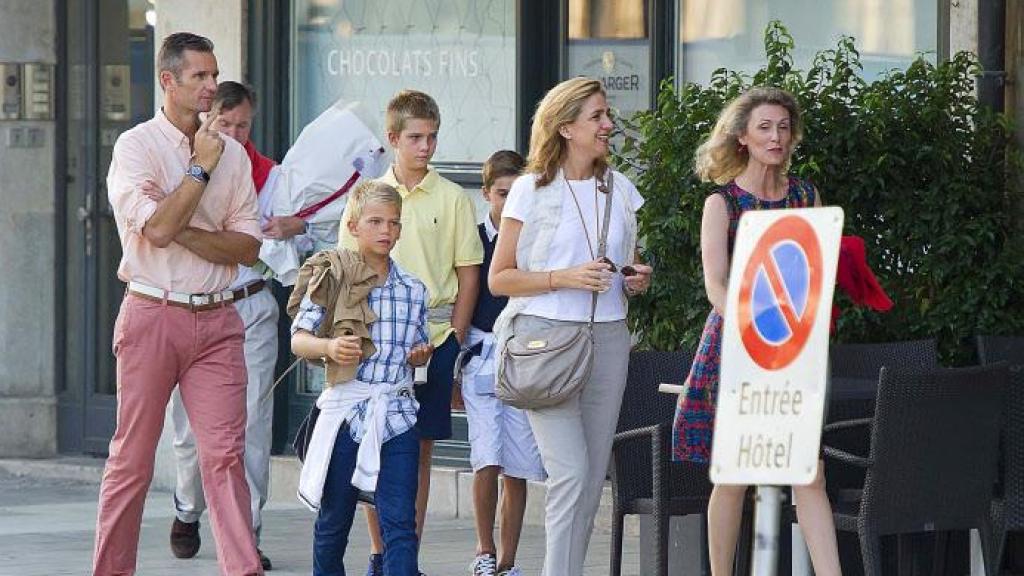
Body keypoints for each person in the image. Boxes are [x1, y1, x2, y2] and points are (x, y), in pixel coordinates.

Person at [95, 32, 263, 576]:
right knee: (132, 459)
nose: (212, 85)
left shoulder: (233, 154)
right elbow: (159, 230)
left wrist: (175, 227)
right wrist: (198, 170)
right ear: (168, 81)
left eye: (215, 74)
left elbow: (247, 247)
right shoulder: (136, 147)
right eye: (200, 76)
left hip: (219, 317)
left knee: (225, 456)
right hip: (152, 314)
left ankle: (243, 570)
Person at [671, 86, 842, 576]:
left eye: (784, 127)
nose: (776, 137)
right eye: (764, 127)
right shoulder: (722, 203)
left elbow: (818, 272)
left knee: (809, 471)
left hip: (795, 350)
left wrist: (798, 330)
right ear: (742, 137)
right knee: (734, 475)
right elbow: (716, 284)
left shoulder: (805, 195)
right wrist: (754, 331)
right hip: (738, 350)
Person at [488, 77, 653, 576]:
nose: (608, 125)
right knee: (571, 474)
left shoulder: (620, 189)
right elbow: (499, 278)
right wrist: (564, 277)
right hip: (545, 340)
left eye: (607, 114)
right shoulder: (530, 190)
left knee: (590, 478)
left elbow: (627, 264)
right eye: (597, 116)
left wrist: (636, 278)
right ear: (565, 127)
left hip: (609, 338)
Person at [337, 89, 483, 575]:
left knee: (418, 453)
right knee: (370, 447)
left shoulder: (453, 198)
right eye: (416, 137)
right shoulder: (366, 197)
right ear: (393, 138)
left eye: (432, 137)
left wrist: (456, 339)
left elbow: (468, 274)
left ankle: (407, 557)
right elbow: (346, 272)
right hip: (373, 346)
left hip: (433, 342)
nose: (426, 146)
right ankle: (380, 553)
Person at [157, 81, 300, 572]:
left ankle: (246, 532)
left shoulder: (270, 175)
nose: (236, 134)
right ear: (208, 118)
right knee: (189, 428)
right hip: (194, 306)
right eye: (226, 123)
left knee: (252, 424)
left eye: (244, 125)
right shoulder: (184, 167)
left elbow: (306, 236)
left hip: (250, 304)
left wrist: (295, 227)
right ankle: (187, 506)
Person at [291, 180, 433, 576]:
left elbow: (419, 350)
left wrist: (421, 357)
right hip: (345, 416)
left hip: (397, 416)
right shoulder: (333, 277)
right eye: (375, 221)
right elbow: (299, 339)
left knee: (401, 524)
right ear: (353, 226)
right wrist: (330, 347)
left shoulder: (414, 289)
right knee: (333, 523)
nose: (386, 230)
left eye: (394, 222)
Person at [461, 151, 545, 576]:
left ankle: (509, 561)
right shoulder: (473, 239)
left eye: (517, 194)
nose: (509, 202)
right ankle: (484, 550)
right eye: (501, 193)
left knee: (517, 464)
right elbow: (465, 297)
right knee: (486, 457)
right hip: (480, 354)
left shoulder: (533, 239)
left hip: (523, 352)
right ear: (486, 193)